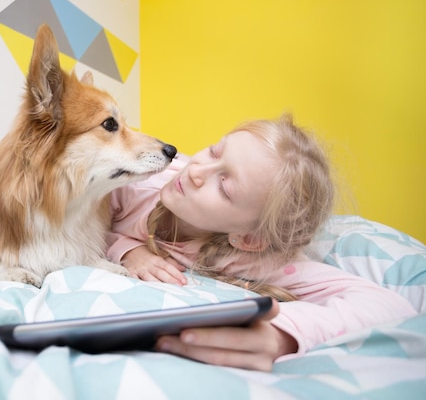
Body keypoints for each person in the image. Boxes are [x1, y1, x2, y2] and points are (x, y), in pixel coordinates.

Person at [105, 114, 417, 371]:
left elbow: (390, 305)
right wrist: (129, 250)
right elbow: (74, 222)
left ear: (249, 239)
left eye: (225, 187)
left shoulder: (245, 258)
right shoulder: (146, 178)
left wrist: (283, 336)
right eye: (215, 151)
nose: (198, 170)